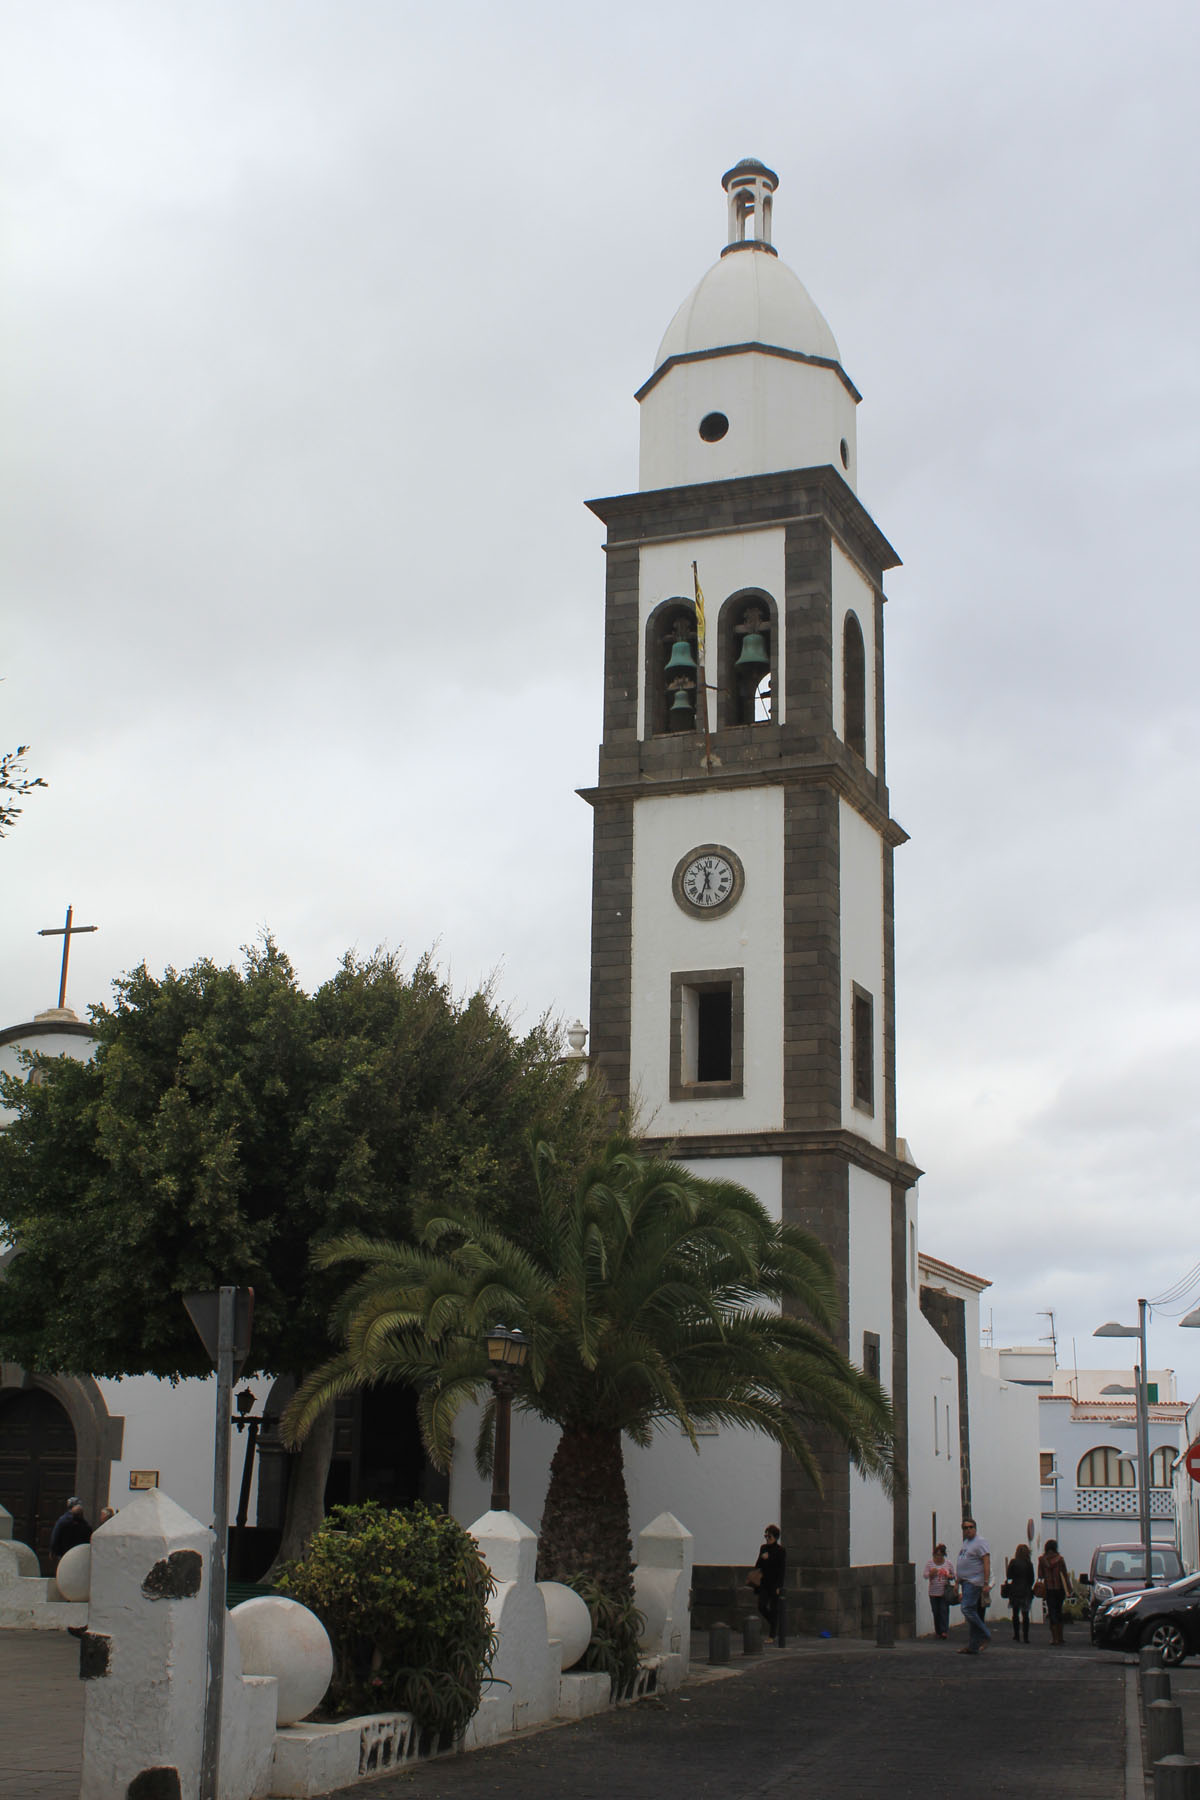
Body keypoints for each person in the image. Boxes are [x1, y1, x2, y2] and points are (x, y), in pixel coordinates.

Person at [955, 1518, 992, 1655]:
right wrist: (958, 1582)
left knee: (967, 1609)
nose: (968, 1530)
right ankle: (973, 1645)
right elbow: (962, 1563)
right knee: (971, 1612)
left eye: (970, 1527)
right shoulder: (966, 1543)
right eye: (965, 1528)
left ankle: (985, 1634)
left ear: (975, 1528)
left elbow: (986, 1562)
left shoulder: (980, 1542)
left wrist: (986, 1583)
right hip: (965, 1582)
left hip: (974, 1582)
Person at [753, 1524, 786, 1644]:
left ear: (775, 1537)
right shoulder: (763, 1548)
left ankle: (772, 1635)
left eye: (769, 1536)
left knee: (774, 1608)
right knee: (761, 1606)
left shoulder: (781, 1551)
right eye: (766, 1536)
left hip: (774, 1584)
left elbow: (781, 1569)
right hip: (764, 1583)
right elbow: (757, 1566)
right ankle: (774, 1622)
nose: (767, 1539)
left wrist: (779, 1586)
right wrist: (763, 1558)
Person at [1038, 1538, 1074, 1645]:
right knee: (1059, 1611)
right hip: (1060, 1589)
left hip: (1049, 1589)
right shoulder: (1060, 1559)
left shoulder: (1042, 1560)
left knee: (1052, 1611)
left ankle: (1054, 1638)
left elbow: (1040, 1575)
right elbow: (1065, 1575)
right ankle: (1060, 1637)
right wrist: (1069, 1588)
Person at [923, 1542, 955, 1639]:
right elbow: (925, 1575)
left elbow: (954, 1575)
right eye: (937, 1555)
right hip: (933, 1592)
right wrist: (931, 1574)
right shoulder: (930, 1563)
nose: (938, 1557)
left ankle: (944, 1630)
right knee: (936, 1611)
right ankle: (938, 1631)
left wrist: (948, 1576)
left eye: (940, 1555)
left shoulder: (948, 1563)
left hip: (944, 1592)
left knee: (944, 1610)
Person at [1005, 1542, 1035, 1642]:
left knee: (1015, 1613)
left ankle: (1016, 1635)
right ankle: (1026, 1637)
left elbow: (1009, 1576)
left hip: (1015, 1589)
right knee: (1025, 1614)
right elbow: (1032, 1578)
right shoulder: (1029, 1563)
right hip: (1025, 1590)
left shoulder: (1013, 1562)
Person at [49, 1498, 92, 1565]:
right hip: (78, 1554)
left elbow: (56, 1535)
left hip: (64, 1553)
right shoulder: (84, 1524)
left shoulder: (62, 1521)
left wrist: (53, 1550)